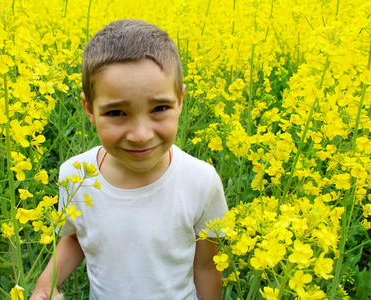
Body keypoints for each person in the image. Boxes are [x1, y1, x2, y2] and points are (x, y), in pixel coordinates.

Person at [30, 19, 228, 300]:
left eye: (159, 108)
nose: (140, 135)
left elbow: (207, 265)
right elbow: (74, 238)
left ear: (180, 100)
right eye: (116, 113)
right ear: (89, 108)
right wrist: (44, 286)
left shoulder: (201, 181)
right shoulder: (75, 174)